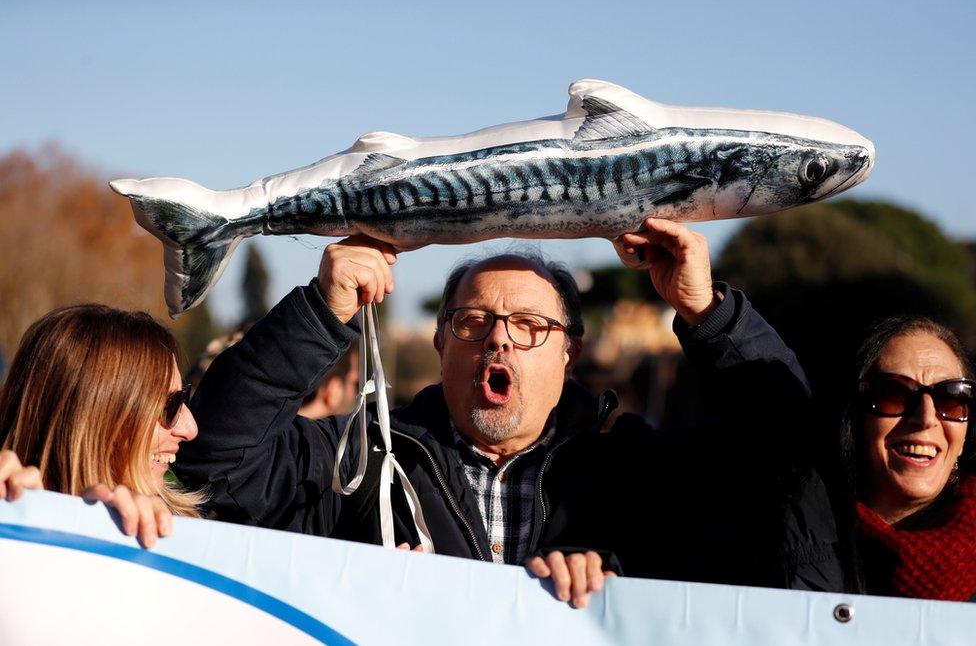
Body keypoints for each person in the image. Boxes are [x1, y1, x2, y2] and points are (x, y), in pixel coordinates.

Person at [178, 218, 842, 607]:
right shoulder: (362, 463)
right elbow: (214, 464)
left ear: (570, 352)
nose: (498, 339)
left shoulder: (638, 469)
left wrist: (709, 311)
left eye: (528, 325)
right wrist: (320, 312)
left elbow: (789, 457)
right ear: (440, 346)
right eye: (473, 322)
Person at [0, 304, 204, 547]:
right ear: (91, 420)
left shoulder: (188, 543)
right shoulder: (10, 520)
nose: (190, 429)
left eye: (184, 398)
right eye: (168, 406)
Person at [840, 316, 976, 600]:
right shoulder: (792, 538)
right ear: (856, 419)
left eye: (951, 399)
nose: (925, 419)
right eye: (894, 394)